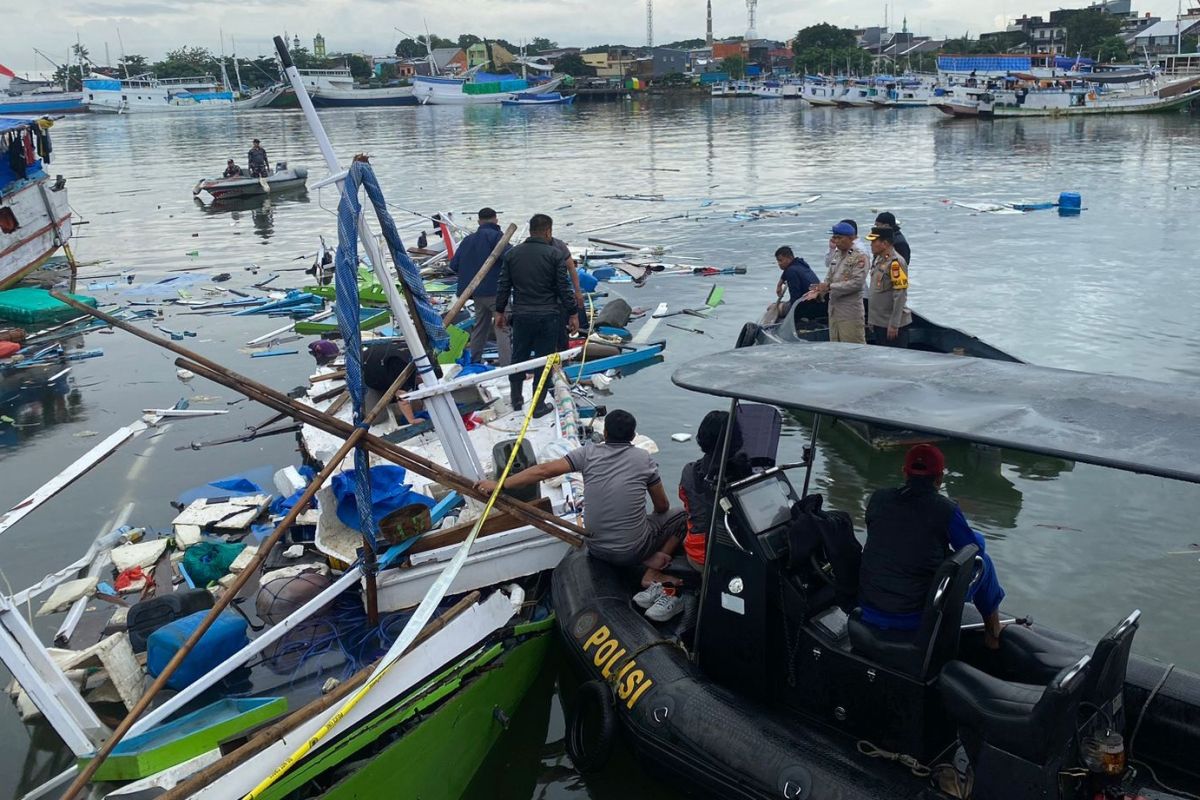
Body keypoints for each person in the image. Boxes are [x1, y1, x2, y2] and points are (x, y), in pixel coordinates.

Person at [476, 410, 688, 621]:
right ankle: (653, 569)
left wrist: (500, 485)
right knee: (681, 515)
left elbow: (543, 471)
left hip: (596, 548)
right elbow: (662, 505)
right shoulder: (643, 459)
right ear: (633, 437)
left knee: (635, 530)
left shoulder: (587, 453)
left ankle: (645, 553)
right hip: (632, 549)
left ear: (604, 433)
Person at [858, 444, 1006, 649]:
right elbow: (974, 550)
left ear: (904, 472)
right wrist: (977, 537)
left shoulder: (878, 498)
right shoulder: (945, 509)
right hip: (914, 615)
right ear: (940, 478)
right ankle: (993, 634)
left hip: (868, 604)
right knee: (984, 563)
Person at [495, 213, 577, 416]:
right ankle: (538, 405)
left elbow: (504, 285)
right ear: (548, 231)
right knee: (544, 360)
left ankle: (516, 399)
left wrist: (499, 311)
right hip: (548, 315)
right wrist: (573, 313)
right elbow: (563, 288)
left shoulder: (512, 255)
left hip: (521, 315)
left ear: (531, 230)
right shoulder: (554, 254)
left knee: (519, 358)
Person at [678, 410, 752, 570]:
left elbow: (688, 505)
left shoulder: (689, 471)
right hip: (735, 554)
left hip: (698, 553)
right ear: (736, 439)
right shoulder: (746, 475)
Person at [449, 208, 512, 365]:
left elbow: (454, 265)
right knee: (503, 327)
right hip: (496, 292)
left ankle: (475, 361)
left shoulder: (468, 240)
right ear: (496, 220)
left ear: (479, 222)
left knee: (480, 328)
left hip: (475, 293)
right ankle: (508, 366)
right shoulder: (498, 237)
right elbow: (513, 259)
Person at [802, 221, 868, 343]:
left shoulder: (859, 257)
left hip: (850, 312)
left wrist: (830, 287)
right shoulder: (837, 254)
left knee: (852, 347)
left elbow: (856, 283)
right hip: (834, 310)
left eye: (839, 238)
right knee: (835, 347)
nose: (836, 241)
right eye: (834, 237)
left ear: (851, 238)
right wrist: (819, 290)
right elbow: (829, 276)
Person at [865, 226, 911, 347]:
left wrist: (894, 324)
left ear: (884, 243)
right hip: (879, 322)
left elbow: (900, 294)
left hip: (890, 325)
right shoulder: (879, 259)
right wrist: (872, 320)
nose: (871, 245)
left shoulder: (895, 263)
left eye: (874, 242)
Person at [550, 235, 587, 348]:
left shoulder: (558, 245)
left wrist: (577, 292)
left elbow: (571, 269)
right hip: (550, 301)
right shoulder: (557, 247)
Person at [774, 246, 819, 310]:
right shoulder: (801, 263)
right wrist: (780, 284)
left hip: (806, 306)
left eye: (780, 260)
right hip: (818, 302)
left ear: (789, 258)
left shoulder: (791, 272)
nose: (779, 263)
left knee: (771, 307)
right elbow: (787, 270)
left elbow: (795, 296)